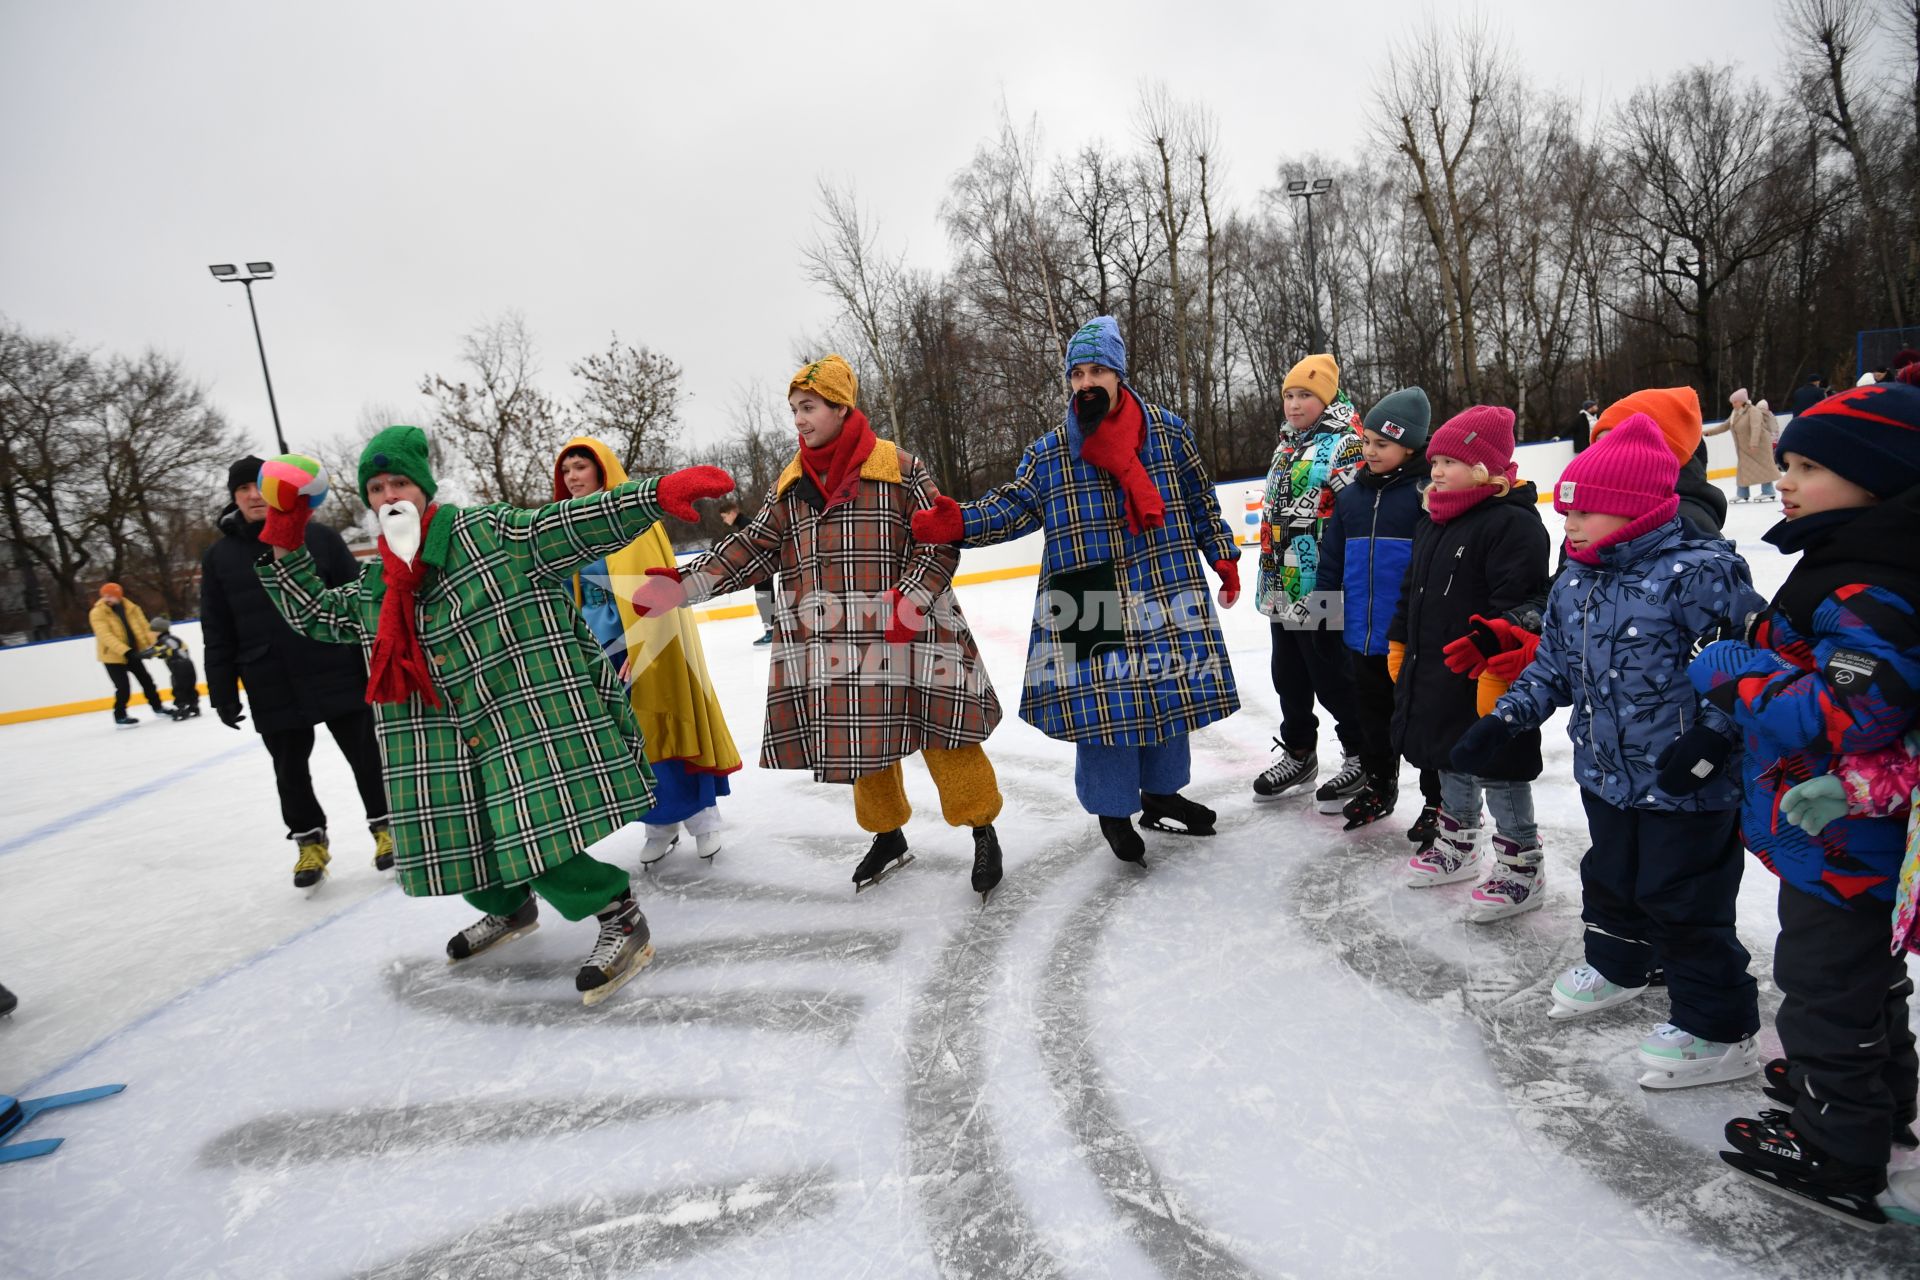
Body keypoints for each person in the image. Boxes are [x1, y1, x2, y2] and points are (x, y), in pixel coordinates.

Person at [256, 428, 734, 1004]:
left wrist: (654, 495)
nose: (388, 496)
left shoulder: (489, 534)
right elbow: (313, 613)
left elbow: (573, 523)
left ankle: (619, 913)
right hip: (436, 735)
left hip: (519, 719)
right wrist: (285, 534)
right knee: (459, 835)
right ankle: (509, 910)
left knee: (530, 835)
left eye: (399, 482)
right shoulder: (378, 584)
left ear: (424, 488)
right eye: (376, 488)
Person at [1454, 415, 1765, 1087]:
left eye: (1586, 512)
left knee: (1682, 899)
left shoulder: (1700, 576)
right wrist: (1506, 718)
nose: (1569, 525)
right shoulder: (1575, 582)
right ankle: (1621, 965)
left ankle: (1719, 1027)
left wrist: (1713, 741)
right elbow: (1555, 669)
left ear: (1633, 511)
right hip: (1608, 775)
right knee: (1612, 878)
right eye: (1567, 511)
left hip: (1687, 782)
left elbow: (1746, 669)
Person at [639, 356, 1010, 898]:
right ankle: (888, 835)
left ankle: (982, 829)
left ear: (841, 407)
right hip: (840, 640)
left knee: (947, 735)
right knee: (863, 742)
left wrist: (909, 604)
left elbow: (938, 541)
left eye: (808, 407)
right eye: (793, 410)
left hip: (917, 630)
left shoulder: (900, 468)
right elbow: (748, 549)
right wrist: (682, 585)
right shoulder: (791, 484)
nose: (799, 419)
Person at [1689, 384, 1920, 1224]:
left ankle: (1839, 1144)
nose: (1783, 478)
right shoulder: (1850, 557)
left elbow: (1857, 710)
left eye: (1809, 466)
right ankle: (1878, 1094)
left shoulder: (1871, 584)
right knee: (1860, 974)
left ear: (1876, 479)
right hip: (1841, 829)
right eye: (1786, 461)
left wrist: (1737, 674)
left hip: (1845, 832)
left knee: (1823, 984)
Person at [910, 319, 1238, 865]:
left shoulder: (1168, 432)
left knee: (1166, 692)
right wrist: (959, 522)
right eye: (1077, 373)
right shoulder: (1053, 450)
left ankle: (1159, 793)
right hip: (1087, 593)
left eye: (1098, 371)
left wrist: (1220, 553)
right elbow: (1012, 506)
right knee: (1104, 710)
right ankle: (1113, 811)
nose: (1086, 382)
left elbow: (1200, 498)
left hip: (1163, 579)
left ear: (1119, 374)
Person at [1388, 405, 1551, 921]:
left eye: (1450, 461)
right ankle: (1457, 842)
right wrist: (1399, 642)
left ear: (1485, 468)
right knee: (1446, 755)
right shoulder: (1433, 521)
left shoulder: (1513, 524)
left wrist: (1496, 657)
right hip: (1435, 667)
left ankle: (1521, 861)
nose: (1436, 471)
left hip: (1488, 673)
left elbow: (1526, 604)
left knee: (1499, 768)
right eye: (1434, 460)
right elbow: (1409, 593)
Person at [201, 455, 392, 888]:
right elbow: (217, 627)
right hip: (271, 678)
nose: (252, 495)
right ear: (234, 498)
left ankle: (386, 829)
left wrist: (375, 663)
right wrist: (222, 689)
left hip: (337, 668)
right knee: (289, 770)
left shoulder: (320, 538)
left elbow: (363, 605)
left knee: (366, 756)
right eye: (242, 489)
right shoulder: (219, 557)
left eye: (259, 486)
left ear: (276, 489)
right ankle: (309, 842)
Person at [553, 436, 742, 864]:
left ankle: (703, 819)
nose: (572, 477)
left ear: (601, 469)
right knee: (629, 741)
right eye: (566, 471)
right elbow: (565, 594)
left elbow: (657, 588)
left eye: (580, 467)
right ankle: (658, 822)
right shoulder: (565, 526)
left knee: (670, 722)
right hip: (601, 650)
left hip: (650, 643)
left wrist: (641, 648)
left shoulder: (632, 520)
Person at [1317, 386, 1442, 838]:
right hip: (1360, 636)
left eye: (1381, 444)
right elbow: (1330, 561)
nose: (1369, 451)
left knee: (1422, 722)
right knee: (1371, 718)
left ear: (1410, 448)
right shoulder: (1350, 498)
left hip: (1409, 638)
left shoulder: (1424, 495)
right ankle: (1379, 784)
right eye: (1366, 441)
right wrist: (1325, 619)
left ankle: (1437, 801)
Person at [1251, 354, 1367, 809]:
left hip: (1320, 582)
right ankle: (1299, 751)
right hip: (1281, 581)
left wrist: (1339, 581)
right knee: (1289, 675)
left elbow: (1354, 516)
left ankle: (1361, 752)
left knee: (1331, 674)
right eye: (1289, 395)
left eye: (1305, 396)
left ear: (1327, 398)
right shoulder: (1286, 444)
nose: (1295, 405)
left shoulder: (1346, 445)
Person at [88, 582, 182, 727]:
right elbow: (105, 636)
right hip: (113, 657)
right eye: (105, 595)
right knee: (123, 688)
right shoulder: (97, 613)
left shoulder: (131, 608)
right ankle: (120, 715)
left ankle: (158, 708)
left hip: (134, 653)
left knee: (147, 681)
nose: (107, 599)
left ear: (119, 596)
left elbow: (145, 628)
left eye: (111, 596)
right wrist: (126, 651)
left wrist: (155, 645)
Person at [714, 496, 775, 645]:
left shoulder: (745, 524)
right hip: (760, 567)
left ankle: (772, 632)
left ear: (732, 512)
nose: (724, 520)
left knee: (764, 597)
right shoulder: (743, 524)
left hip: (761, 567)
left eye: (724, 516)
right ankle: (772, 631)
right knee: (764, 597)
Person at [1705, 388, 1779, 502]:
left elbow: (1756, 427)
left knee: (1764, 468)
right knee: (1743, 469)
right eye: (1732, 403)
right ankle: (1742, 493)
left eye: (1735, 402)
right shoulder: (1735, 413)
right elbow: (1725, 425)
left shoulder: (1753, 411)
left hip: (1759, 446)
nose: (1733, 404)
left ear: (1742, 401)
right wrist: (1709, 432)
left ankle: (1768, 491)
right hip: (1744, 448)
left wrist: (1753, 443)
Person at [146, 616, 200, 717]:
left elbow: (158, 650)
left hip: (178, 666)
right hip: (188, 664)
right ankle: (193, 705)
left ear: (158, 631)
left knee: (178, 688)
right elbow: (180, 649)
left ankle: (181, 708)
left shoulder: (164, 640)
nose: (151, 633)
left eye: (153, 630)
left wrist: (140, 655)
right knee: (189, 686)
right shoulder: (174, 638)